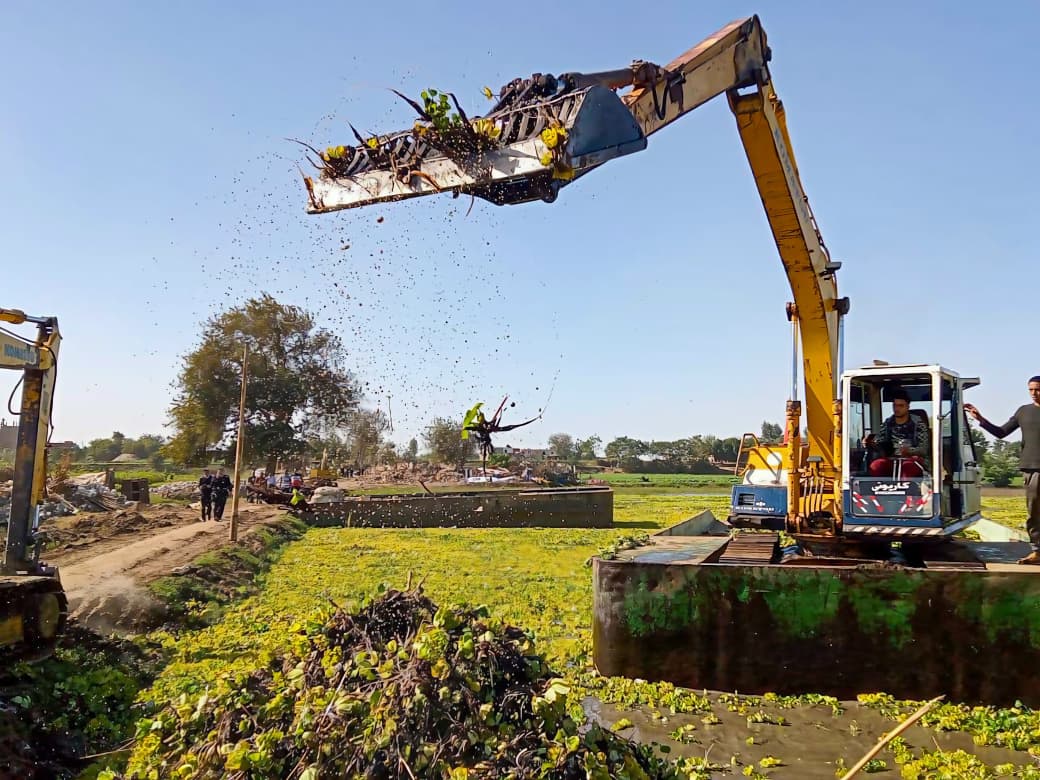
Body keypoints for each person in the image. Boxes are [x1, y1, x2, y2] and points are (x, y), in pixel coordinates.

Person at [965, 375, 1040, 565]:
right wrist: (980, 419)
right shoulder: (1024, 411)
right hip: (1032, 468)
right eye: (1031, 389)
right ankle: (1037, 551)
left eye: (1038, 389)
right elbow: (1001, 432)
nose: (1034, 393)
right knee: (1034, 512)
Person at [863, 388, 930, 478]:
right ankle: (879, 487)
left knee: (907, 468)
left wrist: (909, 451)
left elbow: (923, 449)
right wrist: (870, 442)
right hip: (892, 459)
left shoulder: (918, 424)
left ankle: (907, 487)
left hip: (914, 460)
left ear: (908, 407)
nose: (897, 408)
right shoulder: (888, 423)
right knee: (877, 466)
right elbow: (880, 440)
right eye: (895, 405)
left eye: (901, 406)